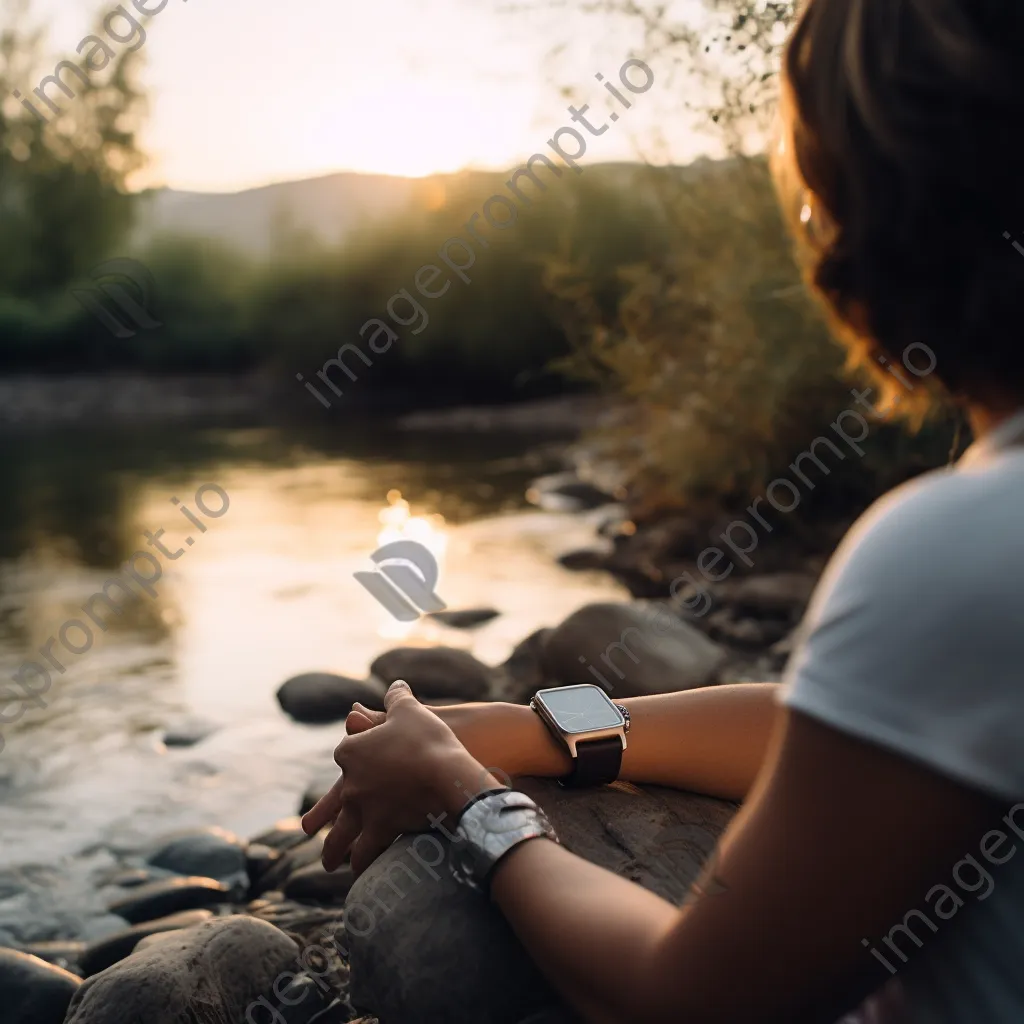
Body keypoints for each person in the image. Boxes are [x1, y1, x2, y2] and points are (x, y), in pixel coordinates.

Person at [302, 0, 1024, 1020]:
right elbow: (851, 732)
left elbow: (687, 998)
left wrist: (465, 795)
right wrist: (529, 728)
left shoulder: (958, 544)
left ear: (877, 217)